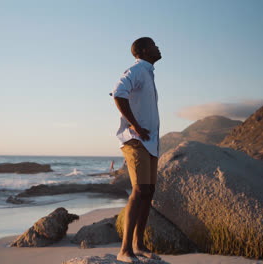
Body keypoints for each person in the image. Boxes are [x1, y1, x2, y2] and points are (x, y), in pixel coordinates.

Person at [111, 37, 162, 263]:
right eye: (153, 45)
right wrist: (134, 125)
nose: (158, 47)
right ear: (143, 50)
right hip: (136, 140)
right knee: (140, 190)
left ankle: (138, 245)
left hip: (149, 142)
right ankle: (124, 250)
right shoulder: (137, 70)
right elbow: (118, 93)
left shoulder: (148, 73)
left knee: (148, 192)